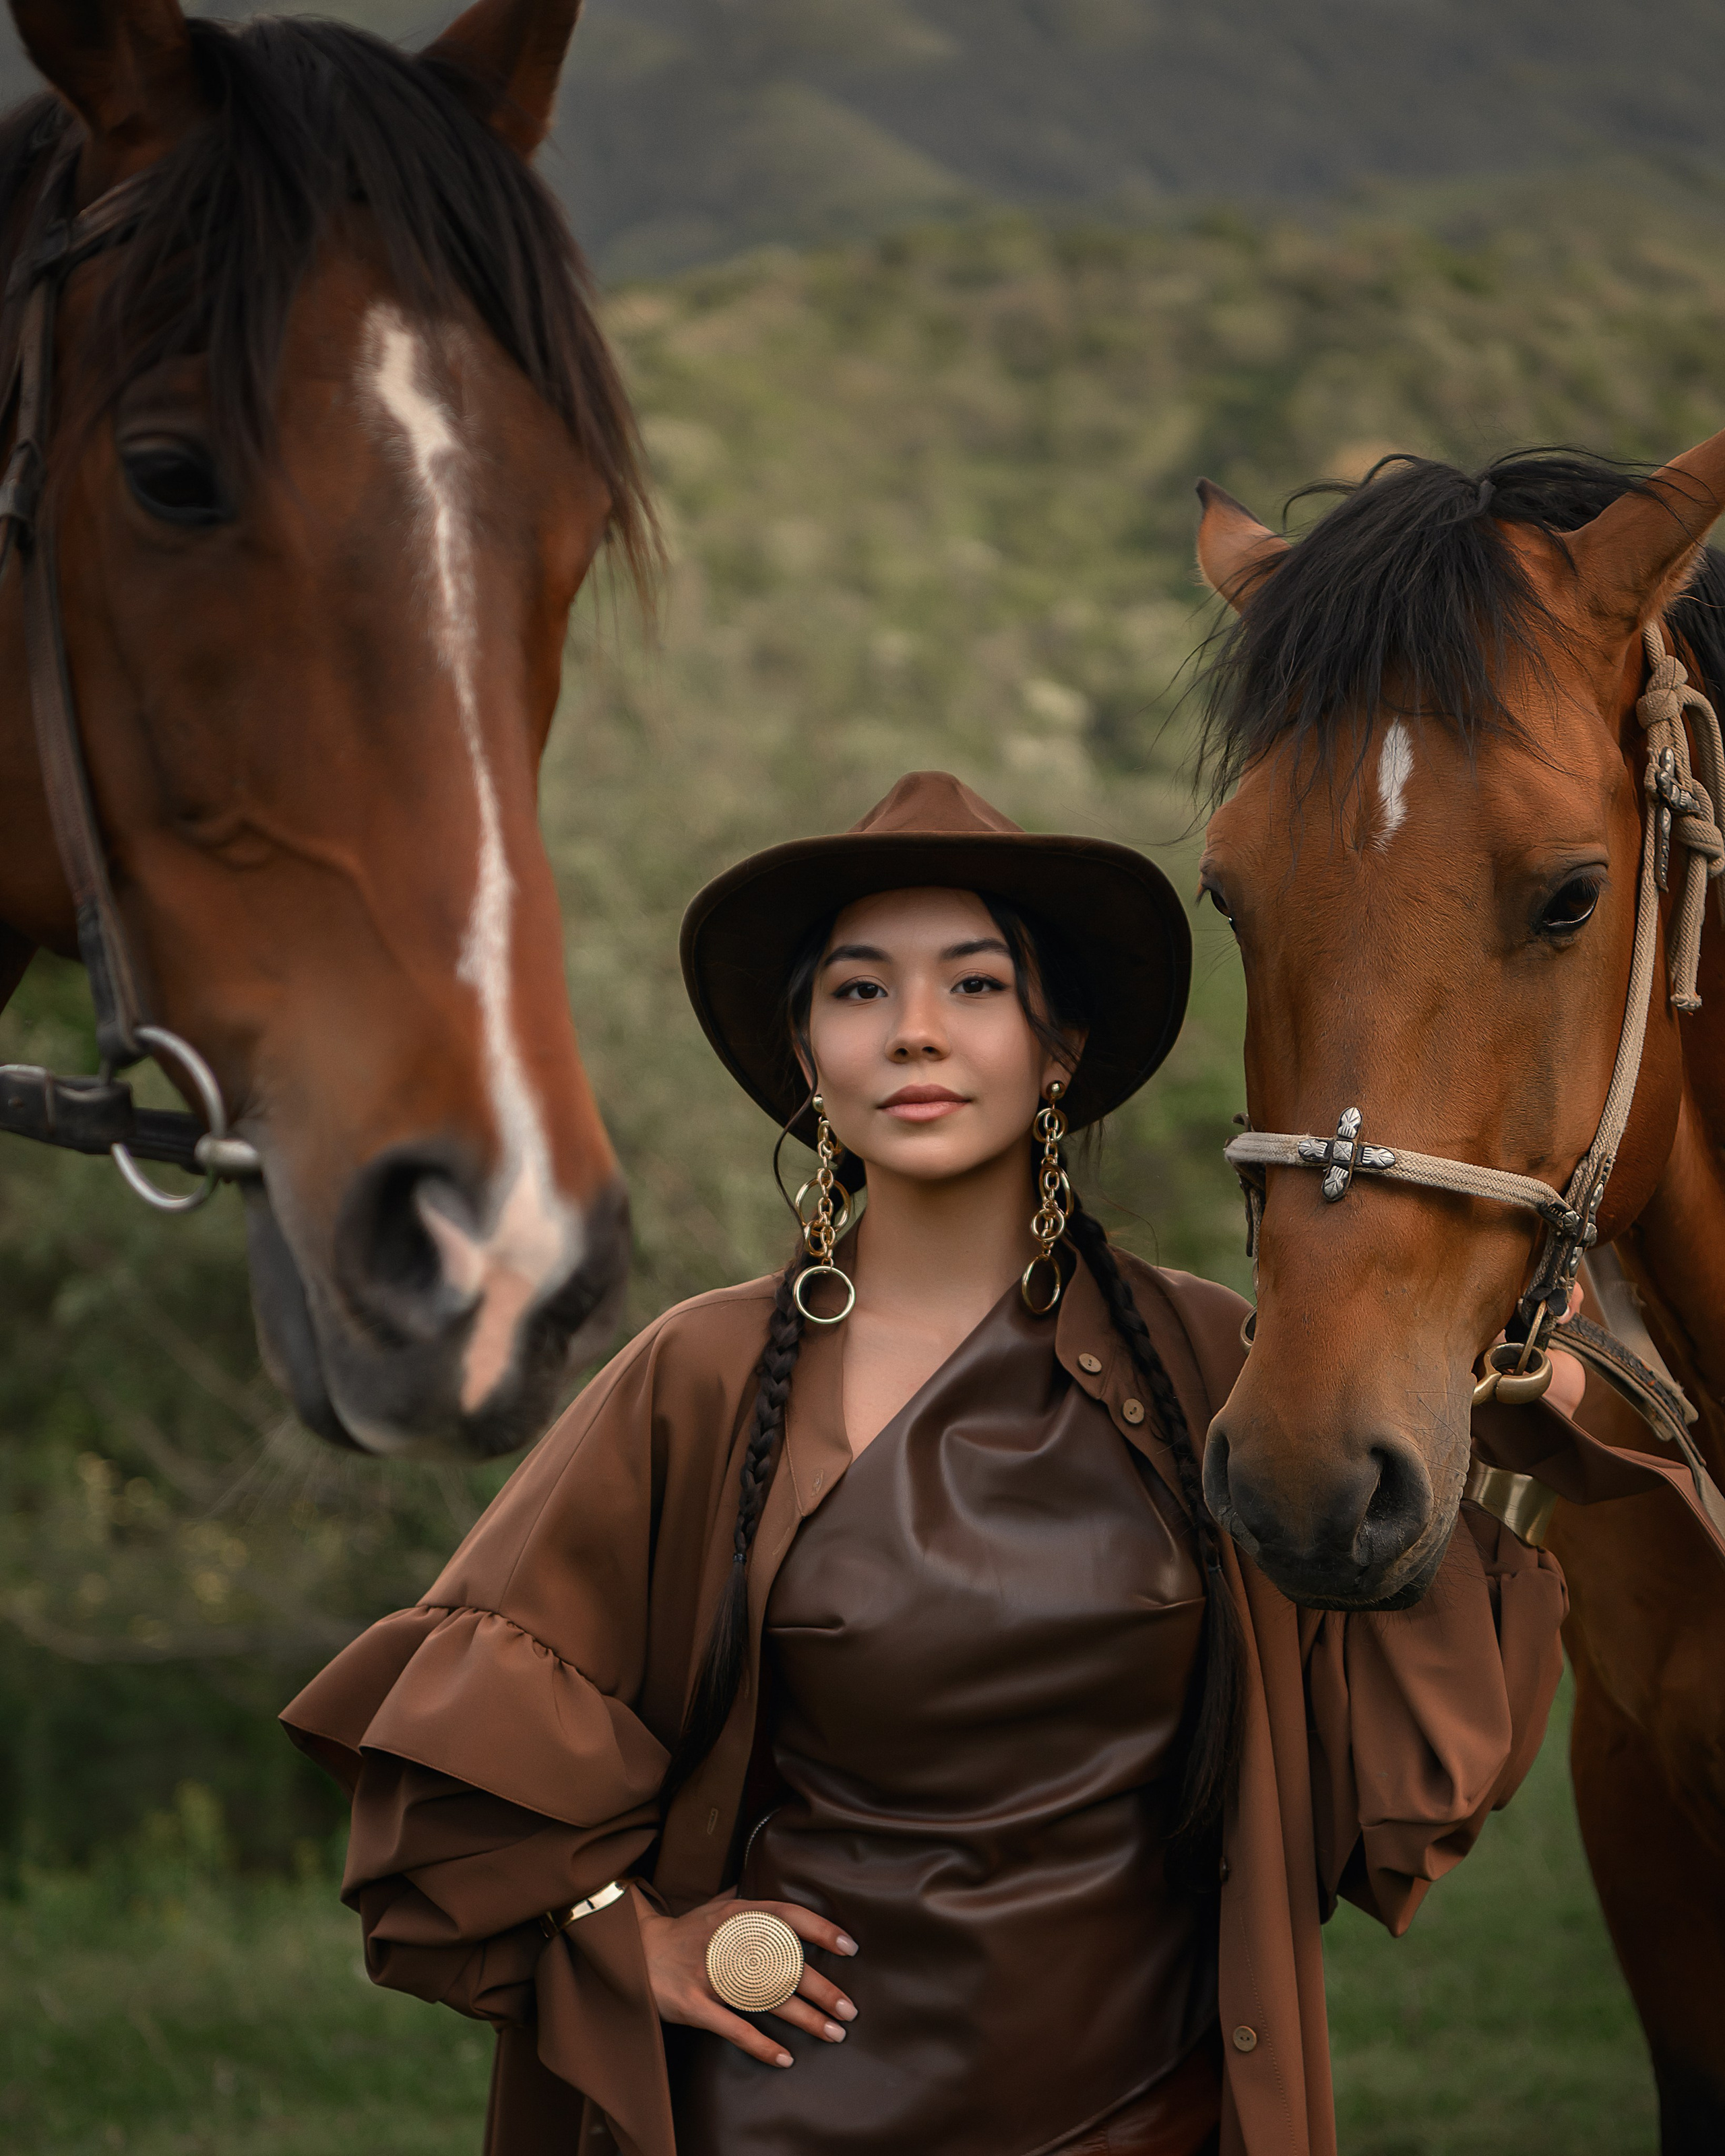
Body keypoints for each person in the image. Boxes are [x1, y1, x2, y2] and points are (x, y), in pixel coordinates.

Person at [282, 771, 1571, 2156]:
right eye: (855, 992)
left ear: (1055, 1046)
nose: (911, 1034)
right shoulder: (699, 1377)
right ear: (804, 1055)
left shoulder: (1206, 1360)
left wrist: (1527, 1455)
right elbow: (458, 1757)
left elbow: (1384, 1790)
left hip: (1160, 2114)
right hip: (780, 2116)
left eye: (970, 987)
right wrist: (621, 1931)